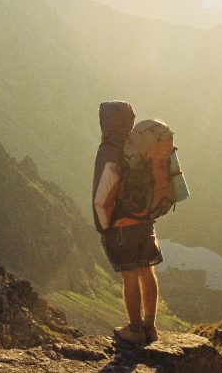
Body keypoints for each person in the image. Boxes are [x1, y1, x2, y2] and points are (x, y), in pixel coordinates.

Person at [92, 101, 163, 344]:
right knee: (147, 270)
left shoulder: (109, 149)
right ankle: (150, 327)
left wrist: (104, 226)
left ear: (106, 122)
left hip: (122, 226)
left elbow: (102, 194)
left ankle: (134, 329)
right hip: (145, 221)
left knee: (130, 277)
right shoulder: (140, 145)